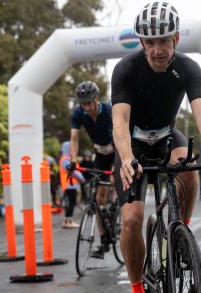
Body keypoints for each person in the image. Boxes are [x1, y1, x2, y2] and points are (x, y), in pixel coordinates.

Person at [111, 2, 201, 292]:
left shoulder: (189, 68)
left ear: (176, 38)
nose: (157, 49)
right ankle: (137, 287)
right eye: (150, 42)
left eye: (164, 40)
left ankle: (180, 232)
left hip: (166, 136)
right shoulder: (126, 69)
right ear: (141, 42)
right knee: (132, 220)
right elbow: (120, 121)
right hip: (134, 145)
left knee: (188, 169)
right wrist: (126, 158)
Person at [69, 81, 115, 258]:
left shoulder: (110, 111)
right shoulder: (78, 113)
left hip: (116, 150)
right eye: (83, 103)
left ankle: (116, 204)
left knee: (119, 181)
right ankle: (104, 240)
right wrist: (73, 159)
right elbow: (74, 139)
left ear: (97, 99)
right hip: (101, 154)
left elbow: (121, 134)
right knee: (97, 198)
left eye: (89, 102)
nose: (86, 107)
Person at [59, 141, 85, 229]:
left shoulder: (67, 158)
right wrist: (81, 178)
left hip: (70, 184)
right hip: (69, 184)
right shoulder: (66, 159)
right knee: (71, 203)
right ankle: (68, 221)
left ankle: (68, 220)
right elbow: (71, 170)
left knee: (71, 203)